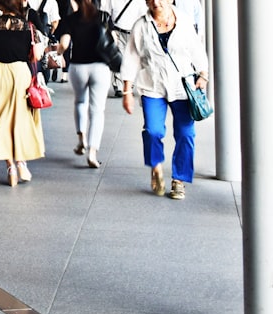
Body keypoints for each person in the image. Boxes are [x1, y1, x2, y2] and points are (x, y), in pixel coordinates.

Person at [120, 0, 208, 200]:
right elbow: (131, 57)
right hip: (152, 86)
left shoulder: (183, 21)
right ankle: (156, 166)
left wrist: (203, 74)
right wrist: (127, 92)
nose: (156, 2)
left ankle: (179, 180)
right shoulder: (141, 25)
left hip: (182, 87)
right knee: (153, 131)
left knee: (186, 134)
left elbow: (196, 49)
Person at [0, 0, 45, 187]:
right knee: (21, 120)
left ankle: (11, 168)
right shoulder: (28, 27)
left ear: (0, 6)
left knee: (0, 120)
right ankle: (22, 163)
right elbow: (36, 56)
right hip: (20, 75)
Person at [56, 0, 112, 168]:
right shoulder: (103, 17)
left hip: (78, 67)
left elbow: (64, 44)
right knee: (97, 110)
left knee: (80, 102)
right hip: (100, 67)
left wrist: (57, 52)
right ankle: (93, 154)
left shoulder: (70, 19)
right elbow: (112, 39)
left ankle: (82, 139)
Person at [101, 0, 147, 96]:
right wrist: (110, 30)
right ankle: (118, 86)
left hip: (134, 32)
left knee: (132, 59)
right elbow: (106, 14)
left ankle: (129, 84)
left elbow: (144, 16)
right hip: (117, 32)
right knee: (118, 57)